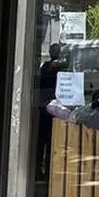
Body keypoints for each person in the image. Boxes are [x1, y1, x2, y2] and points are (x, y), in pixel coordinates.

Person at [37, 44, 64, 178]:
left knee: (42, 140)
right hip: (54, 108)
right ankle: (48, 169)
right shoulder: (60, 68)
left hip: (43, 107)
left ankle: (38, 169)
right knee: (51, 140)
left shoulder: (44, 67)